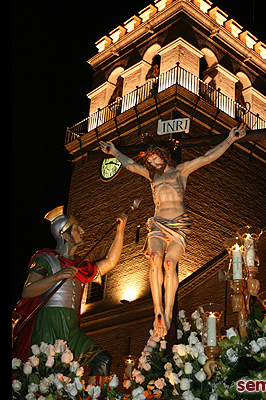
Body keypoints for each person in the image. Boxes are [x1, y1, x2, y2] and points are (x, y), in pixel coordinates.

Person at [99, 123, 246, 337]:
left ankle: (168, 311)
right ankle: (157, 309)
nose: (150, 161)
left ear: (163, 154)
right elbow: (130, 164)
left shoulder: (181, 170)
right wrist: (114, 151)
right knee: (155, 258)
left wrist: (230, 139)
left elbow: (207, 157)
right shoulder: (152, 177)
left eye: (153, 157)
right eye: (148, 160)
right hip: (158, 223)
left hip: (178, 224)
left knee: (169, 263)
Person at [12, 205, 128, 382]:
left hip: (71, 328)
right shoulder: (46, 258)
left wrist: (121, 229)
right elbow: (28, 290)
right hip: (48, 325)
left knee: (102, 360)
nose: (82, 230)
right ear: (64, 235)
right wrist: (58, 276)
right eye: (76, 228)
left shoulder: (80, 266)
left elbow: (110, 261)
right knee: (47, 376)